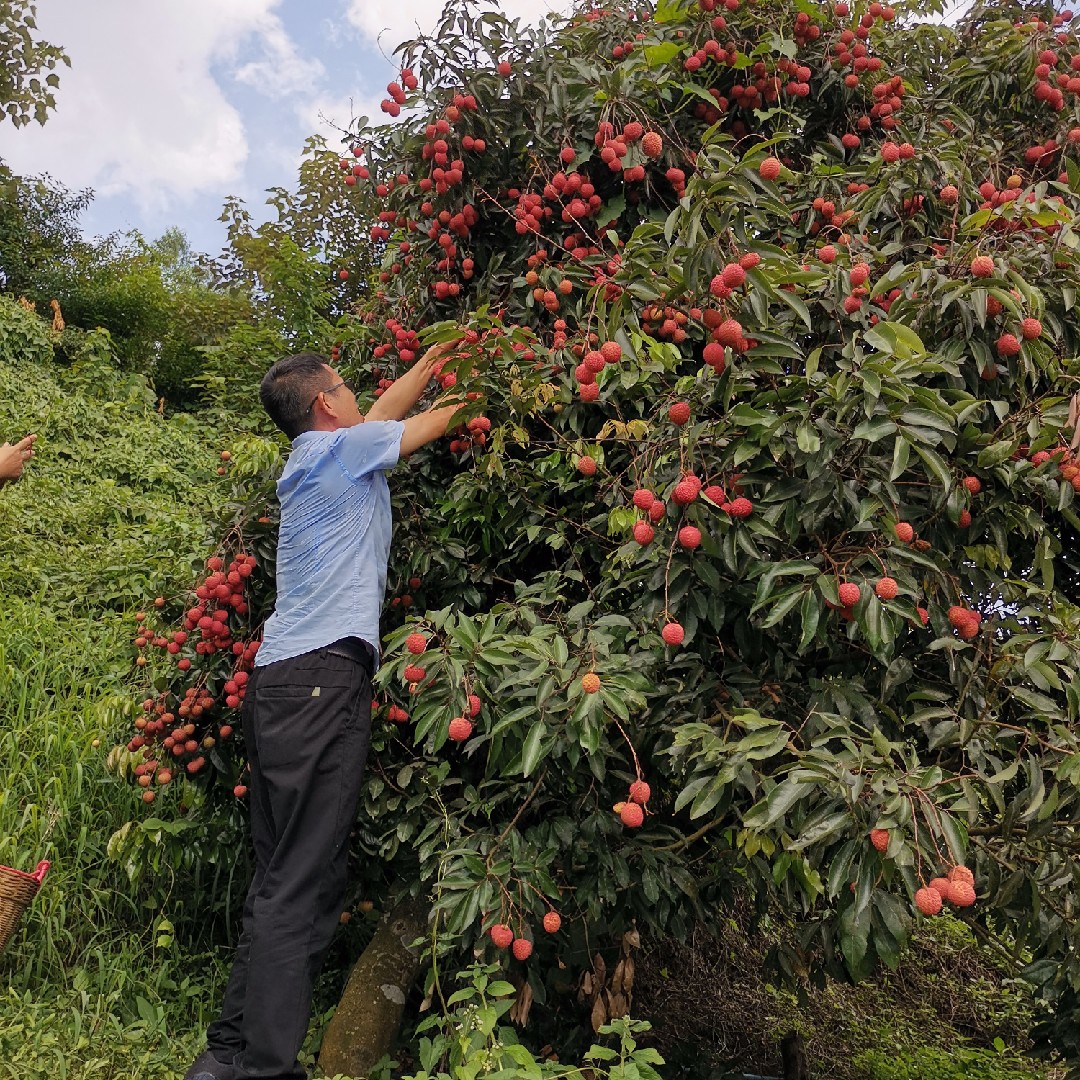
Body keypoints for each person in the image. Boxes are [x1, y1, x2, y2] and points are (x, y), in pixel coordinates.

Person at [186, 339, 465, 1080]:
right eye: (344, 387)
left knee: (280, 876)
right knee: (303, 882)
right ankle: (267, 1070)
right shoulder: (342, 452)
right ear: (323, 406)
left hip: (279, 682)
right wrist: (501, 379)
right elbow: (427, 425)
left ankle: (226, 1055)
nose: (355, 395)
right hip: (322, 680)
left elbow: (385, 411)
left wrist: (429, 361)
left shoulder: (322, 459)